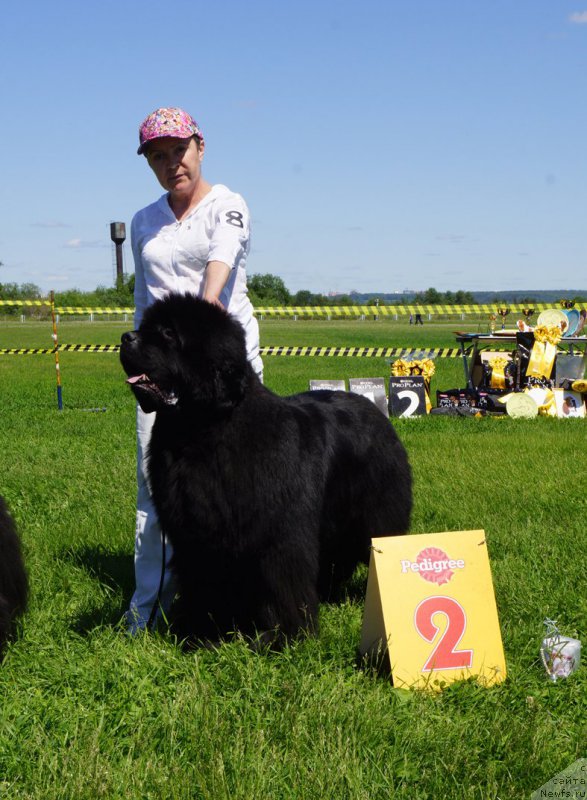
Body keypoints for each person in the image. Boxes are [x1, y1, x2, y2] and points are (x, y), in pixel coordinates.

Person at [126, 107, 263, 633]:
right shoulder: (143, 222)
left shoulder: (227, 205)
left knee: (244, 487)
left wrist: (204, 320)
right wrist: (140, 359)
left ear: (200, 146)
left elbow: (222, 258)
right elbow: (143, 300)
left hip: (227, 375)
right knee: (157, 490)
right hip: (165, 378)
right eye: (157, 157)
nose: (170, 164)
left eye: (178, 151)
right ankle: (148, 610)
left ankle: (242, 598)